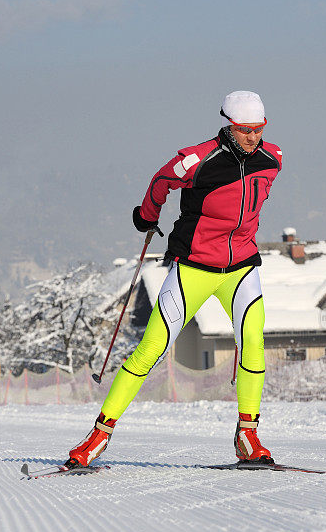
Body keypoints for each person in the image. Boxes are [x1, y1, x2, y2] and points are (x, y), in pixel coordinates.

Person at [65, 90, 283, 468]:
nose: (253, 137)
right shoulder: (196, 160)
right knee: (151, 349)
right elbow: (160, 181)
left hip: (242, 267)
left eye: (259, 129)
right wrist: (147, 217)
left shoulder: (272, 158)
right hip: (194, 268)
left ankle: (248, 436)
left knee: (254, 343)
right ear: (229, 126)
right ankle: (97, 438)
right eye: (245, 130)